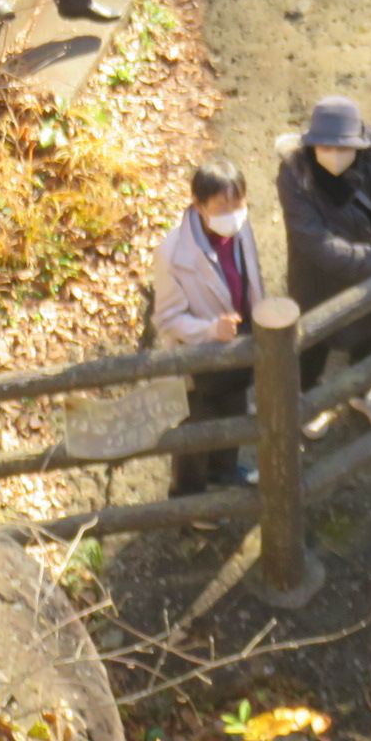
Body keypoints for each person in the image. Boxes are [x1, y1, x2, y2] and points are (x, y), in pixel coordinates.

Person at [275, 96, 371, 430]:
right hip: (318, 276)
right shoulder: (295, 176)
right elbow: (318, 244)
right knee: (315, 339)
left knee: (369, 334)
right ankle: (308, 396)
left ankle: (363, 392)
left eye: (344, 148)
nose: (335, 155)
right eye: (326, 148)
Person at [152, 157, 261, 496]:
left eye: (238, 202)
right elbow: (168, 319)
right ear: (199, 206)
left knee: (233, 414)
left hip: (238, 347)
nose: (233, 213)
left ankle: (223, 473)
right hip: (199, 362)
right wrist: (212, 330)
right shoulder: (173, 253)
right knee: (195, 434)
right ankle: (189, 500)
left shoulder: (241, 231)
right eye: (222, 205)